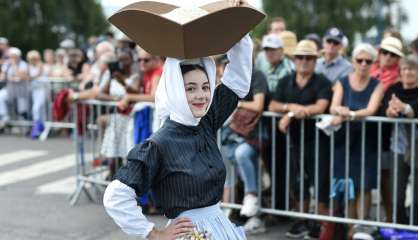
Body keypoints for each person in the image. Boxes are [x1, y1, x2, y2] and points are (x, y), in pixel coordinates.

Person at [103, 9, 253, 240]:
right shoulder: (158, 144)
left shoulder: (206, 121)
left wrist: (236, 25)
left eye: (205, 86)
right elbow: (115, 195)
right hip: (189, 234)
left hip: (221, 226)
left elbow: (237, 81)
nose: (201, 95)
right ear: (174, 89)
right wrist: (154, 233)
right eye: (190, 88)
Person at [268, 40, 332, 239]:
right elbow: (273, 105)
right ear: (294, 60)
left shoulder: (321, 81)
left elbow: (320, 106)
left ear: (315, 60)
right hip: (294, 141)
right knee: (297, 182)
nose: (304, 61)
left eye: (309, 58)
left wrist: (292, 114)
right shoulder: (286, 80)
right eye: (300, 57)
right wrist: (291, 108)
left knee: (320, 182)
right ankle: (302, 221)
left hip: (317, 140)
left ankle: (322, 227)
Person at [329, 43, 384, 238]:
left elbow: (371, 110)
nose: (363, 64)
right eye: (359, 60)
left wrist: (349, 114)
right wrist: (340, 111)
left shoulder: (377, 85)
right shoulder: (342, 82)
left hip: (366, 139)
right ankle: (351, 228)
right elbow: (334, 106)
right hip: (345, 140)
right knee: (349, 183)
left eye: (368, 61)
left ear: (373, 63)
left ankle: (361, 226)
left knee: (365, 184)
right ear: (353, 61)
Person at [381, 55, 418, 225]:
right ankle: (400, 228)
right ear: (400, 72)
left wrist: (405, 108)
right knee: (397, 194)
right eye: (405, 69)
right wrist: (390, 112)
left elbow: (413, 111)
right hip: (398, 146)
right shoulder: (393, 89)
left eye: (412, 69)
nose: (408, 72)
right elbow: (384, 109)